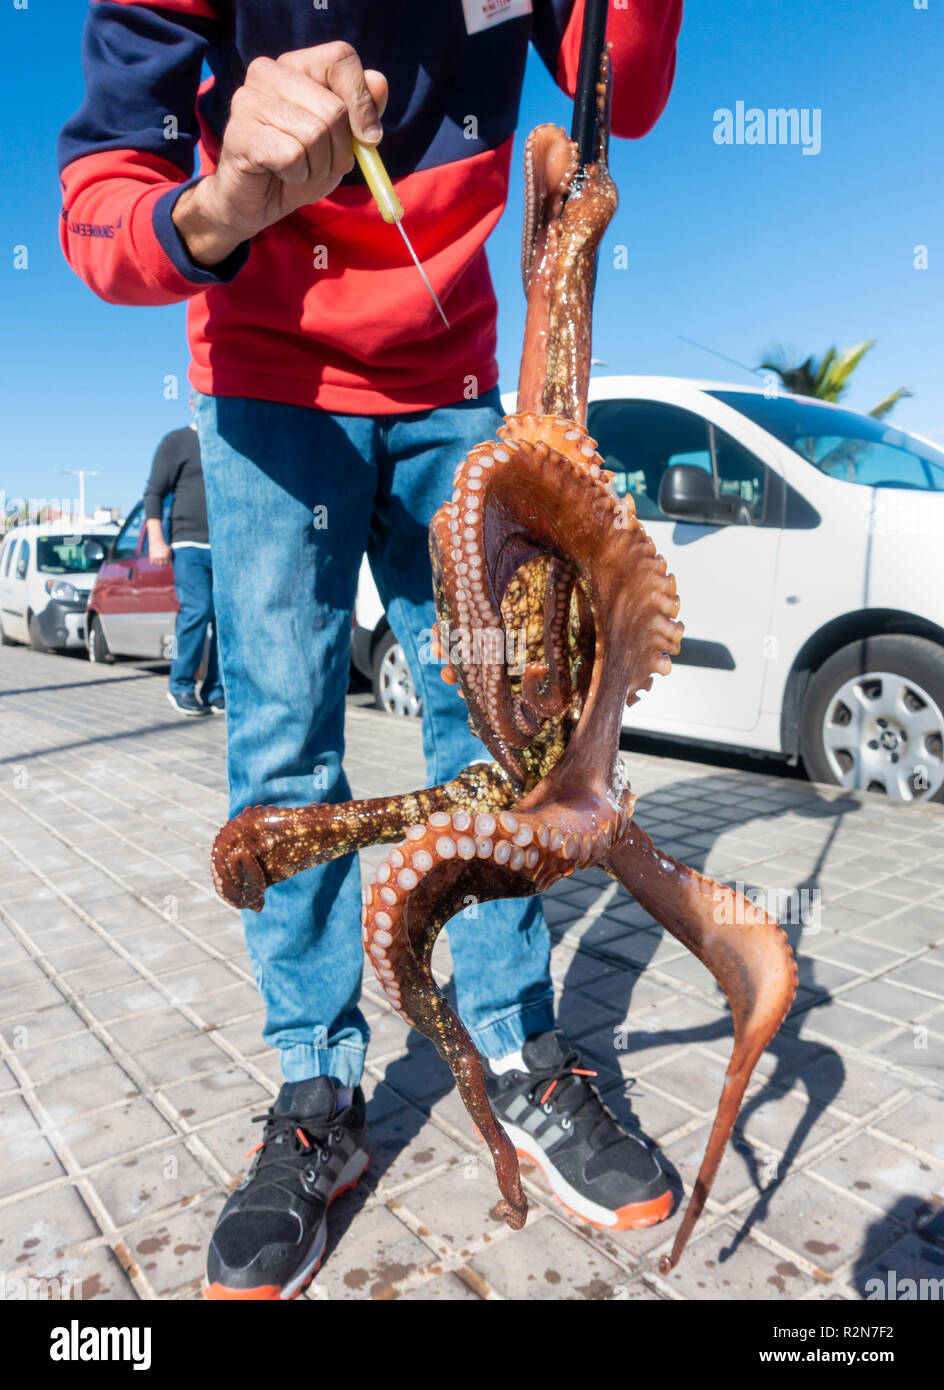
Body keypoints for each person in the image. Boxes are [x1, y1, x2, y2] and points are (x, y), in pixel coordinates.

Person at [59, 0, 684, 1301]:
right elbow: (99, 200)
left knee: (504, 734)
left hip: (455, 389)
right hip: (267, 384)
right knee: (287, 748)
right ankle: (318, 1090)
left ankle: (518, 1053)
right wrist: (213, 207)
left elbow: (618, 79)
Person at [143, 421, 225, 716]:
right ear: (193, 401)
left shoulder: (227, 440)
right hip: (188, 545)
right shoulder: (177, 441)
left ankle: (216, 691)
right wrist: (156, 540)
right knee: (198, 610)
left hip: (226, 547)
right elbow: (153, 492)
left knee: (225, 619)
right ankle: (180, 686)